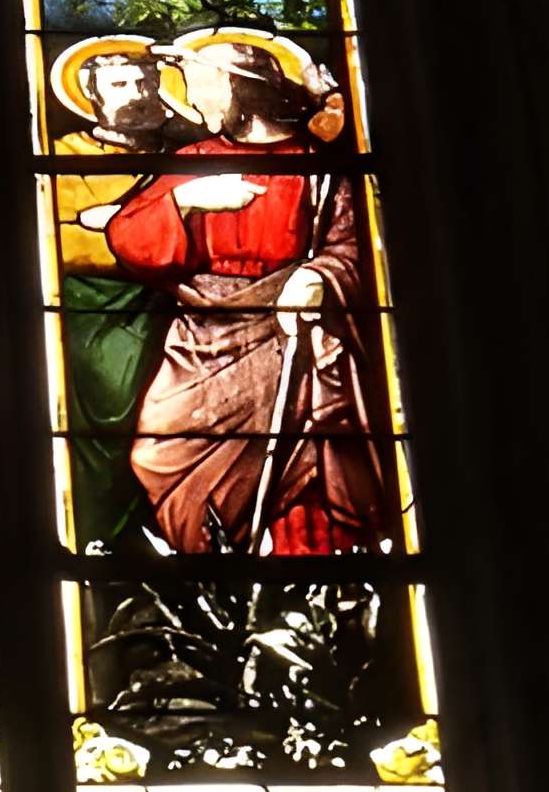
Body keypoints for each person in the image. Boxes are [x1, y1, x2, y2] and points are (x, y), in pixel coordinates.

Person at [91, 34, 388, 554]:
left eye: (202, 87)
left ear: (237, 89)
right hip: (203, 339)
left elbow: (355, 246)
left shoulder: (314, 166)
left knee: (310, 461)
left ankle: (302, 587)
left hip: (293, 334)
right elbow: (127, 237)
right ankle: (210, 567)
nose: (193, 101)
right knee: (157, 451)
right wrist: (185, 200)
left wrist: (318, 277)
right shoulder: (193, 160)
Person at [52, 37, 184, 546]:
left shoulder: (182, 157)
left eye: (143, 81)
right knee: (105, 432)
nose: (135, 92)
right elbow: (52, 239)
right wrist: (130, 237)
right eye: (119, 84)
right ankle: (99, 537)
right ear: (92, 96)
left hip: (173, 311)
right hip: (92, 316)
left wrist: (119, 227)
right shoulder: (65, 156)